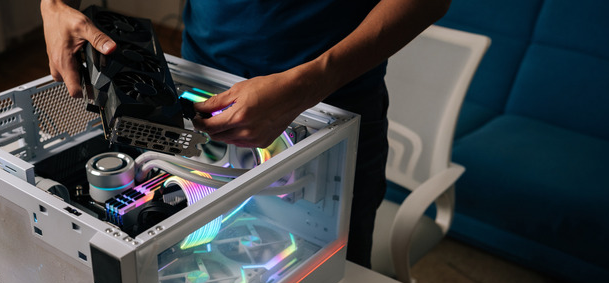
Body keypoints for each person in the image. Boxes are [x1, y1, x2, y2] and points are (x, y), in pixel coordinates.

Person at [40, 0, 450, 268]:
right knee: (187, 264)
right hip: (201, 92)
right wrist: (54, 5)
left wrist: (306, 88)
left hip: (329, 113)